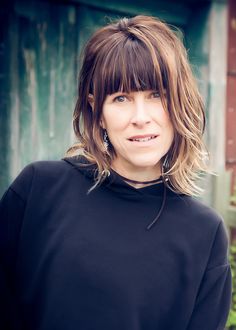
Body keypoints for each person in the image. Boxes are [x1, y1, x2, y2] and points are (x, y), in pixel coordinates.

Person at [0, 15, 232, 330]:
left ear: (179, 103)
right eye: (121, 98)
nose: (140, 117)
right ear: (98, 111)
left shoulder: (205, 233)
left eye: (156, 95)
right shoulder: (38, 190)